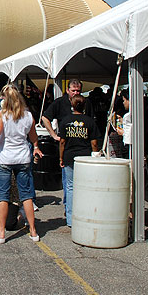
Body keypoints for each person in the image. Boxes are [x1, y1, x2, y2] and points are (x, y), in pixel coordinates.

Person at [0, 85, 41, 243]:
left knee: (3, 195)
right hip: (22, 157)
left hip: (5, 158)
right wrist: (36, 147)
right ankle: (33, 230)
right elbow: (33, 137)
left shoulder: (2, 115)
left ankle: (1, 232)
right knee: (26, 195)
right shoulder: (28, 116)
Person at [58, 94, 99, 228]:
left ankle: (70, 219)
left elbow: (62, 142)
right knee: (85, 187)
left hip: (70, 156)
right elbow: (94, 143)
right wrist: (95, 155)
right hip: (85, 158)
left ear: (72, 105)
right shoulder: (89, 121)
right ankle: (85, 214)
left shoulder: (65, 121)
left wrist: (61, 157)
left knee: (70, 188)